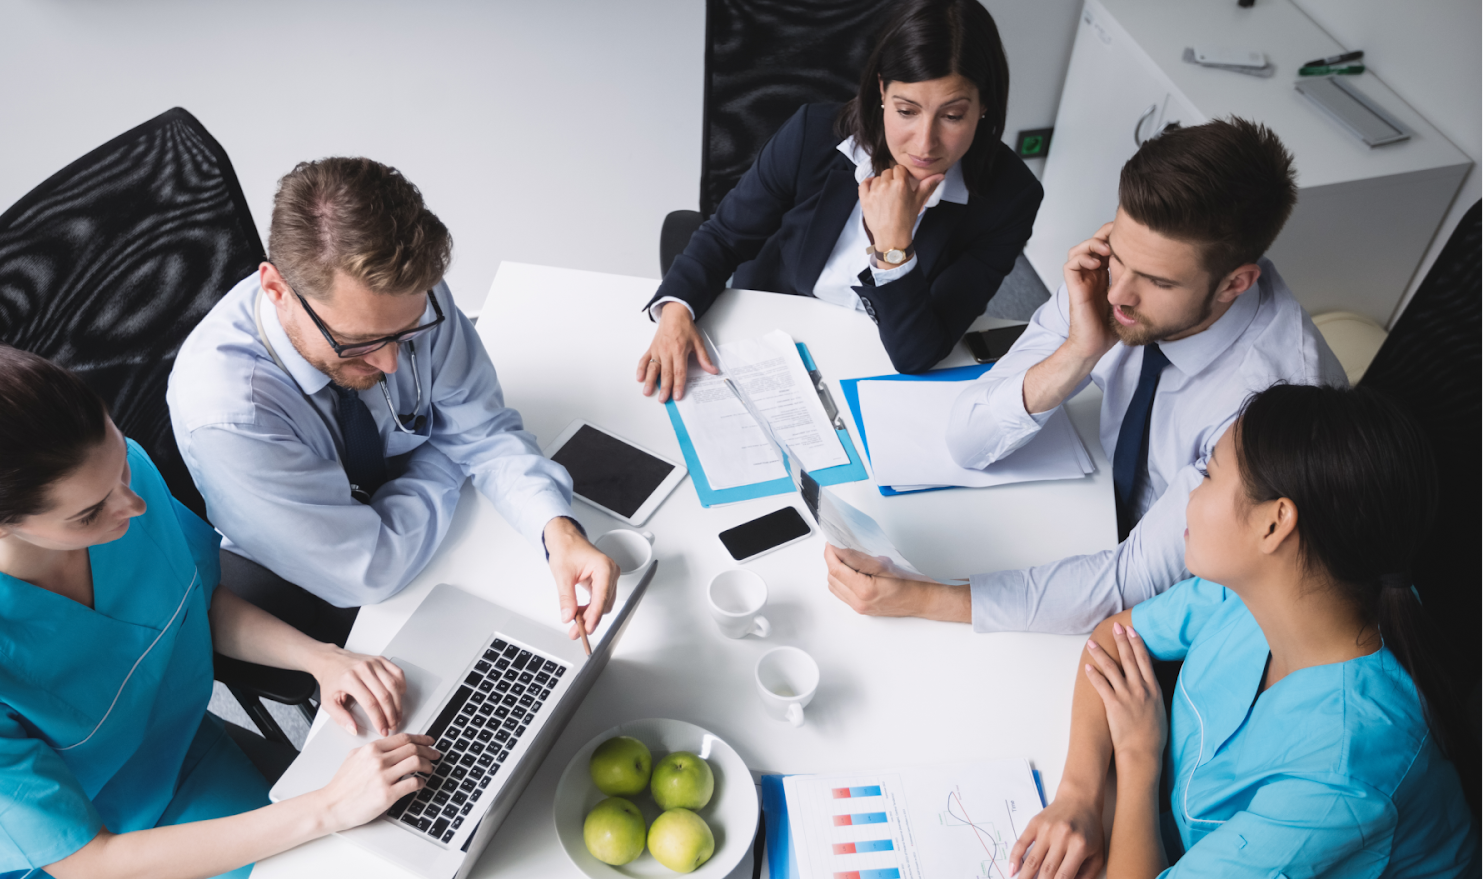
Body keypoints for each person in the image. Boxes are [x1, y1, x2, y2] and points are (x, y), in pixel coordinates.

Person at [0, 347, 436, 879]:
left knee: (369, 876)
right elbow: (95, 870)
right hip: (58, 869)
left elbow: (191, 598)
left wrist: (320, 658)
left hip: (175, 762)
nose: (132, 503)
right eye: (89, 513)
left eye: (120, 461)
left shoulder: (119, 481)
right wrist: (329, 806)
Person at [825, 118, 1346, 633]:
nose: (1119, 295)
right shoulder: (1115, 276)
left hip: (1207, 598)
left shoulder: (1272, 402)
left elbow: (1132, 580)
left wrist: (925, 597)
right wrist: (1079, 350)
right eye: (1119, 255)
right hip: (1093, 510)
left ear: (1235, 283)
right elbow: (968, 439)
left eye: (1157, 281)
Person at [1007, 384, 1480, 879]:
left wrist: (1139, 758)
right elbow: (1113, 639)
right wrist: (1078, 795)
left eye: (1208, 474)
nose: (1191, 494)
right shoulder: (1269, 587)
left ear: (1274, 523)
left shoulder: (1342, 771)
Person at [169, 157, 616, 646]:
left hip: (424, 526)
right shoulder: (228, 416)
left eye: (407, 335)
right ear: (277, 289)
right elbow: (369, 571)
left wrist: (557, 530)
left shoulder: (404, 295)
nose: (390, 363)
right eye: (358, 341)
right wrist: (445, 451)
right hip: (320, 578)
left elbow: (484, 431)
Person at [637, 0, 1042, 398]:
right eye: (906, 110)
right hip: (780, 332)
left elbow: (916, 353)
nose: (924, 142)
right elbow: (726, 236)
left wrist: (894, 248)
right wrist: (675, 311)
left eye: (952, 116)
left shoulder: (1009, 199)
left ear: (984, 106)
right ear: (882, 89)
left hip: (879, 363)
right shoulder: (811, 135)